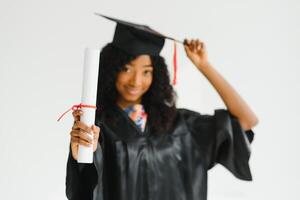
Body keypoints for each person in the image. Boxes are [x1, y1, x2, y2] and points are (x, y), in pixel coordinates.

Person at [66, 14, 259, 200]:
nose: (136, 81)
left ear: (156, 75)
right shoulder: (97, 129)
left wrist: (204, 65)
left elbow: (246, 122)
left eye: (147, 72)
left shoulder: (180, 125)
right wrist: (81, 154)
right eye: (126, 69)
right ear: (111, 69)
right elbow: (83, 190)